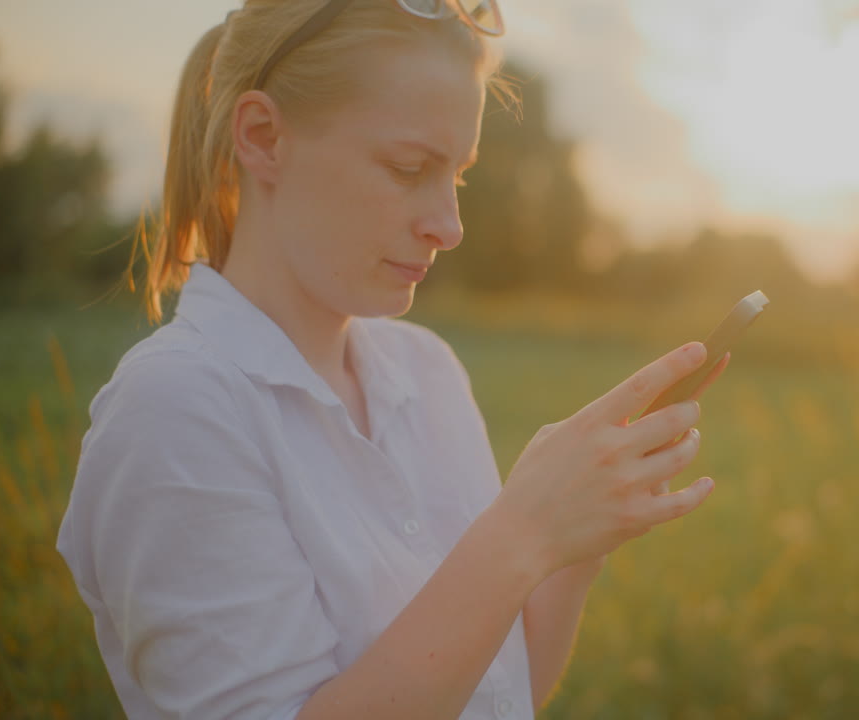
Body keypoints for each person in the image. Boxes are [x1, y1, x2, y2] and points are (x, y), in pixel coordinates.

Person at [53, 1, 730, 718]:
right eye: (409, 168)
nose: (450, 225)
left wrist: (578, 538)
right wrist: (519, 535)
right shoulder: (176, 411)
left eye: (458, 177)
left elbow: (501, 690)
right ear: (262, 137)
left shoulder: (428, 372)